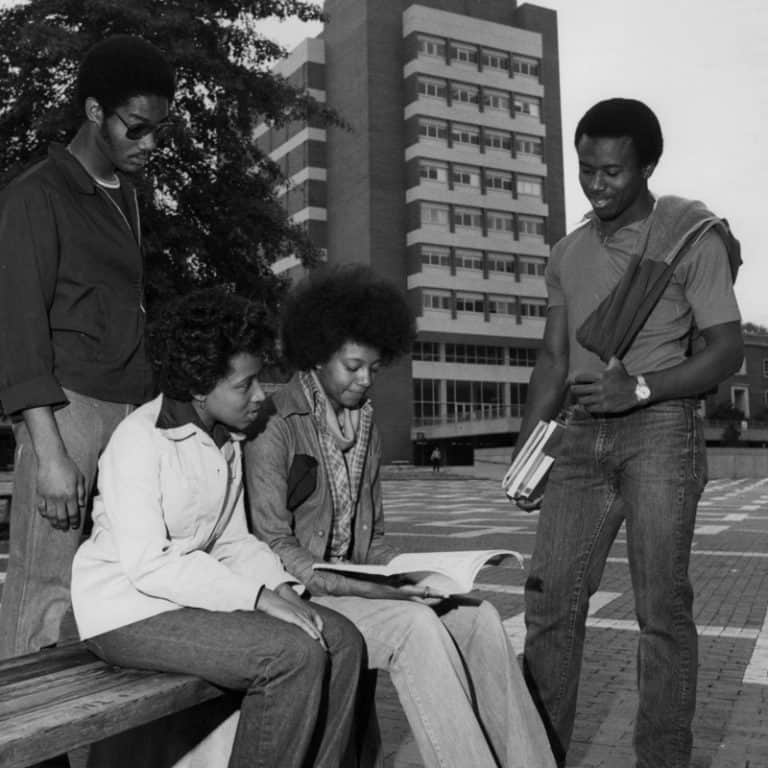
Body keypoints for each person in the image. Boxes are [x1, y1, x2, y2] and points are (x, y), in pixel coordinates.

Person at [244, 265, 556, 768]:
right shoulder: (274, 423)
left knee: (479, 617)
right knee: (417, 628)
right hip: (300, 601)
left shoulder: (365, 425)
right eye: (352, 366)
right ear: (318, 354)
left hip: (360, 590)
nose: (365, 381)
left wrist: (425, 573)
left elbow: (375, 543)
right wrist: (378, 589)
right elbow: (274, 549)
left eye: (373, 367)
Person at [517, 98, 743, 768]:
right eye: (586, 169)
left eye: (612, 171)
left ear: (646, 166)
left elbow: (727, 350)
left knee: (661, 611)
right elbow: (554, 359)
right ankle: (538, 756)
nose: (596, 184)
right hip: (581, 437)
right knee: (551, 600)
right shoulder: (566, 252)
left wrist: (639, 387)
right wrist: (529, 455)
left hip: (662, 431)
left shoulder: (689, 238)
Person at [70, 289, 364, 768]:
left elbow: (232, 541)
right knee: (291, 655)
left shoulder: (224, 441)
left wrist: (282, 588)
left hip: (183, 601)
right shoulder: (139, 441)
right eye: (245, 385)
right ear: (201, 386)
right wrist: (256, 599)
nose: (260, 395)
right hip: (124, 611)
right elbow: (149, 566)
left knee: (342, 639)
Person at [0, 35, 176, 659]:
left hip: (131, 413)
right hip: (66, 412)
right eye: (137, 128)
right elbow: (17, 331)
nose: (150, 143)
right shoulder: (35, 194)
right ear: (96, 111)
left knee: (117, 582)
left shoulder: (129, 197)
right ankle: (22, 744)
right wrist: (47, 452)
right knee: (42, 589)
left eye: (159, 130)